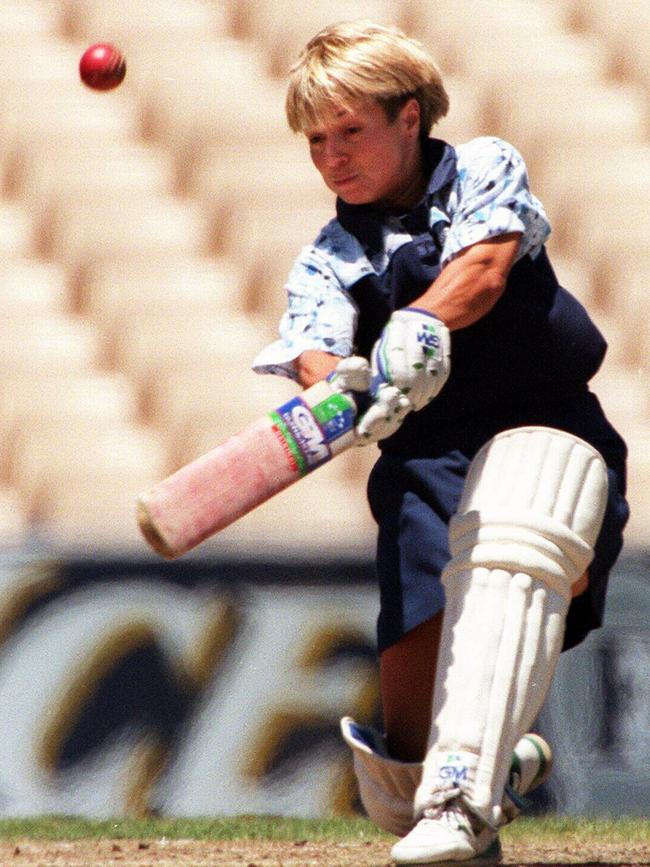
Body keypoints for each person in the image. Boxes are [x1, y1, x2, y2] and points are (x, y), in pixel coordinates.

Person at [252, 20, 629, 865]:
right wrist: (343, 384)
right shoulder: (328, 258)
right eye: (317, 140)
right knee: (404, 764)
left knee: (516, 540)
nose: (332, 157)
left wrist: (418, 325)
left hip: (549, 425)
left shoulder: (483, 166)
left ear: (410, 118)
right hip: (427, 462)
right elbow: (312, 347)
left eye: (351, 130)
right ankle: (492, 767)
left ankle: (470, 785)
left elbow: (485, 268)